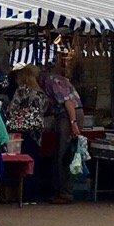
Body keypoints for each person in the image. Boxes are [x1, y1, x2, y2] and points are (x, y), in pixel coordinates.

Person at [41, 53, 88, 201]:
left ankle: (65, 193)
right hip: (69, 115)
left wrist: (73, 123)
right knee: (63, 154)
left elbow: (68, 102)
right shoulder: (59, 80)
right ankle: (62, 190)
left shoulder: (52, 81)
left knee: (64, 154)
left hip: (69, 117)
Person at [6, 65, 47, 170]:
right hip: (36, 133)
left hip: (20, 132)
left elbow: (11, 109)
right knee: (33, 161)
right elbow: (44, 110)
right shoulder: (41, 93)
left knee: (20, 163)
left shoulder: (22, 91)